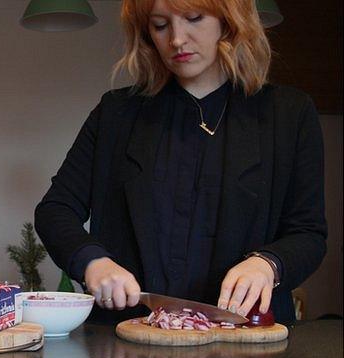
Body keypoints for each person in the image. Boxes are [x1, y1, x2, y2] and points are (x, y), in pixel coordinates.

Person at [34, 0, 326, 325]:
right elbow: (54, 210)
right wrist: (92, 261)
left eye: (194, 18)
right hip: (125, 344)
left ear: (229, 21)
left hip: (246, 346)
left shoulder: (290, 114)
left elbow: (308, 233)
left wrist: (268, 263)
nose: (176, 39)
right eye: (160, 25)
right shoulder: (116, 114)